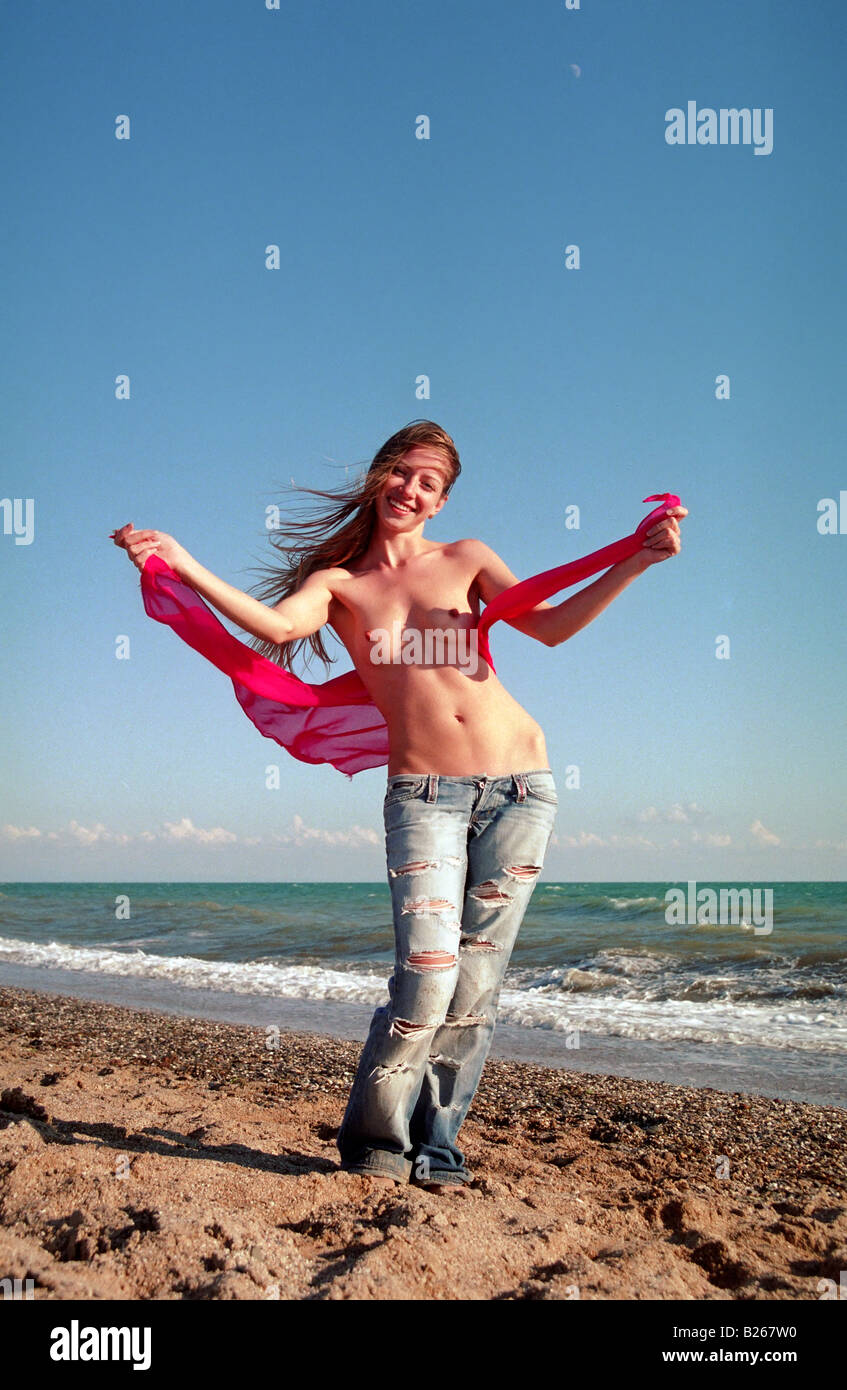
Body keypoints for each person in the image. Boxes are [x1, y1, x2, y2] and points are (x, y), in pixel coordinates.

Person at [114, 420, 686, 1194]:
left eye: (429, 484)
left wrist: (635, 562)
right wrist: (182, 562)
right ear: (379, 475)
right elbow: (278, 627)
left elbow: (547, 628)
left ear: (441, 501)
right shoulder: (341, 586)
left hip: (521, 784)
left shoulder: (467, 559)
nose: (411, 490)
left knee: (476, 988)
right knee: (425, 977)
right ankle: (374, 1140)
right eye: (403, 473)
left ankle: (438, 1145)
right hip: (424, 797)